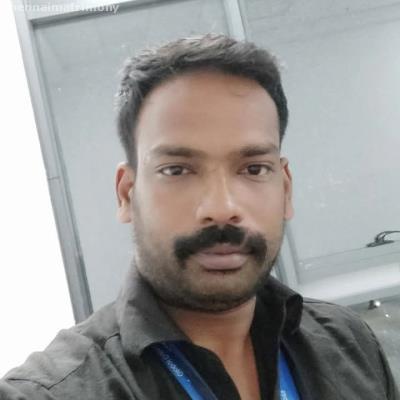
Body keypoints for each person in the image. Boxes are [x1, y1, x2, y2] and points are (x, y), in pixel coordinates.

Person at [0, 34, 398, 400]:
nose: (221, 207)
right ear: (126, 194)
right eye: (177, 170)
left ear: (286, 189)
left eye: (254, 169)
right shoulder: (51, 393)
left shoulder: (350, 344)